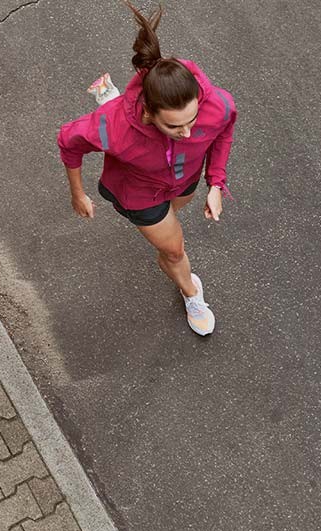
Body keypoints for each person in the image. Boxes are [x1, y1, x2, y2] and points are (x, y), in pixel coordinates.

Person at [57, 1, 237, 336]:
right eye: (175, 127)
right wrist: (77, 193)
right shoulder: (113, 129)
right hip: (138, 194)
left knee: (173, 216)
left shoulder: (217, 105)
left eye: (193, 121)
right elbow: (68, 140)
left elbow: (224, 129)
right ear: (149, 114)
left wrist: (215, 183)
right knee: (172, 249)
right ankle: (191, 292)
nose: (187, 133)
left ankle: (110, 96)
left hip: (185, 181)